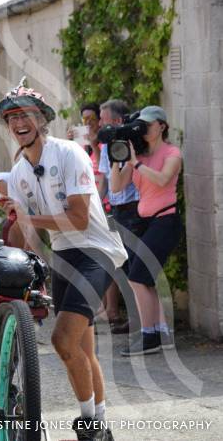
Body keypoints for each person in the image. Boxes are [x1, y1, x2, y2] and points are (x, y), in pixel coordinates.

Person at [0, 78, 127, 440]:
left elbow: (79, 218)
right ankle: (99, 425)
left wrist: (29, 217)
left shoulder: (69, 153)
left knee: (62, 341)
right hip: (64, 256)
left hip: (96, 250)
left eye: (26, 115)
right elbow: (25, 235)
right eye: (12, 117)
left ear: (41, 120)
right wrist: (13, 219)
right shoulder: (19, 172)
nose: (19, 122)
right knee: (82, 349)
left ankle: (88, 426)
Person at [110, 105, 182, 355]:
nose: (144, 129)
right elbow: (117, 187)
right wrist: (117, 159)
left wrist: (135, 164)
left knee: (137, 277)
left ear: (161, 126)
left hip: (166, 221)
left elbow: (163, 179)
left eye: (148, 125)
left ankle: (149, 336)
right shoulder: (138, 156)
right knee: (145, 279)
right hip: (148, 223)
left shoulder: (172, 152)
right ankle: (161, 333)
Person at [97, 99, 141, 334]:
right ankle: (133, 317)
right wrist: (94, 206)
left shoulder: (134, 141)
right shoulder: (106, 145)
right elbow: (104, 181)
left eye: (103, 119)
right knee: (120, 264)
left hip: (133, 209)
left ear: (116, 120)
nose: (100, 123)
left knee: (135, 266)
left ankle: (141, 320)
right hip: (115, 210)